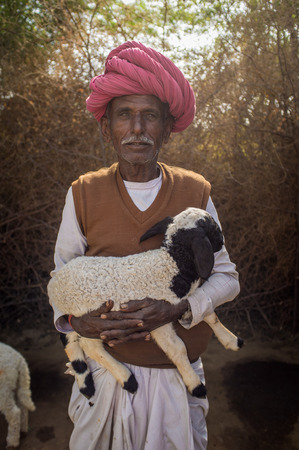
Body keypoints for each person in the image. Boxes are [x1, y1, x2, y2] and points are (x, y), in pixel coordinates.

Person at [49, 41, 240, 450]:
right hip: (107, 376)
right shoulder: (83, 192)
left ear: (167, 127)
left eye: (149, 116)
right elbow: (61, 276)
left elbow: (226, 276)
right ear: (107, 128)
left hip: (177, 373)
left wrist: (180, 308)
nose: (137, 129)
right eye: (124, 116)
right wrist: (76, 323)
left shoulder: (195, 192)